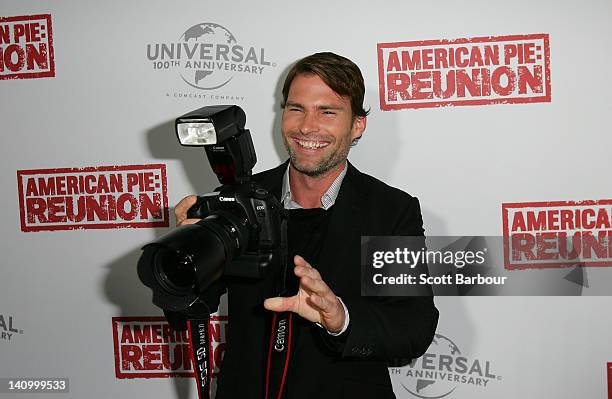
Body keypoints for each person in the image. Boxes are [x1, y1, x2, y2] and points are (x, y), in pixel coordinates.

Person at [175, 52, 438, 398]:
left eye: (327, 111)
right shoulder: (240, 201)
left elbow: (413, 327)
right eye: (296, 109)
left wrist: (341, 318)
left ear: (357, 124)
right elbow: (189, 312)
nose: (307, 127)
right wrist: (187, 259)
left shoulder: (389, 211)